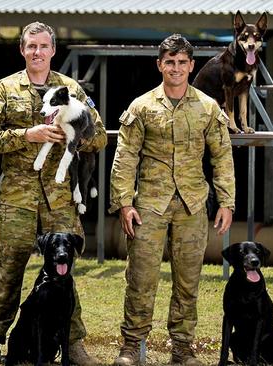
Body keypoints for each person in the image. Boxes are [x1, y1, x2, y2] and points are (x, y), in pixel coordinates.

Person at [0, 22, 107, 366]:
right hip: (18, 198)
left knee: (65, 273)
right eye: (31, 46)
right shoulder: (5, 88)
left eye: (43, 46)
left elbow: (101, 136)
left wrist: (74, 136)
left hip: (60, 200)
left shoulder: (70, 88)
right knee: (8, 273)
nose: (37, 52)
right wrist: (26, 135)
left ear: (52, 50)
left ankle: (73, 343)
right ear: (22, 50)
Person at [109, 34, 235, 366]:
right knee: (140, 277)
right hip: (149, 204)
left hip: (192, 204)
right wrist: (124, 203)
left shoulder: (207, 107)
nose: (176, 69)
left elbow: (222, 156)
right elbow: (125, 157)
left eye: (182, 63)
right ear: (159, 65)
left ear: (192, 66)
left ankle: (182, 348)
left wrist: (226, 202)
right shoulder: (143, 106)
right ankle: (132, 345)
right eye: (170, 62)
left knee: (188, 280)